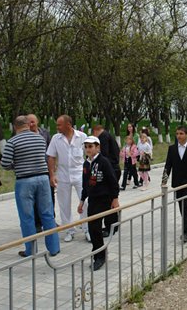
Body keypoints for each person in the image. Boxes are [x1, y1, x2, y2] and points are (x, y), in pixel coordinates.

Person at [1, 115, 60, 258]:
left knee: (27, 217)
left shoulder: (12, 141)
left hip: (24, 181)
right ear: (28, 124)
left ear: (15, 127)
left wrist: (17, 164)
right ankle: (54, 248)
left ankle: (31, 250)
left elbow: (5, 163)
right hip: (43, 178)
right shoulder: (40, 138)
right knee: (47, 214)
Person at [77, 136, 119, 271]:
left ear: (97, 147)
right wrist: (82, 201)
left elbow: (113, 181)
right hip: (93, 200)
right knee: (93, 229)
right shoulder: (86, 164)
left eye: (91, 147)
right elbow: (85, 184)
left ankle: (99, 256)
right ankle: (98, 253)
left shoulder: (103, 162)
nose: (88, 149)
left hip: (104, 199)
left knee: (96, 228)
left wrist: (115, 198)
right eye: (86, 147)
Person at [47, 114, 88, 243]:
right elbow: (51, 157)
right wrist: (52, 175)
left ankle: (87, 229)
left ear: (68, 125)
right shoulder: (56, 138)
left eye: (59, 125)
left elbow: (90, 155)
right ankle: (69, 230)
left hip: (80, 174)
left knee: (86, 202)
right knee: (64, 204)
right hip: (63, 175)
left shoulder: (82, 137)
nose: (57, 127)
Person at [161, 125, 187, 243]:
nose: (178, 136)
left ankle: (185, 233)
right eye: (177, 133)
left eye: (181, 134)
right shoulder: (172, 149)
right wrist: (164, 180)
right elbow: (168, 165)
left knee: (186, 205)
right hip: (178, 183)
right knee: (181, 205)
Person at [28, 113, 55, 234]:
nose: (31, 124)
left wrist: (53, 170)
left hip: (46, 168)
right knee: (35, 198)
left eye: (33, 122)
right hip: (33, 170)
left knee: (50, 195)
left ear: (37, 121)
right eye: (29, 122)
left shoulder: (44, 132)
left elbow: (51, 151)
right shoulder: (25, 135)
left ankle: (51, 219)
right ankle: (37, 223)